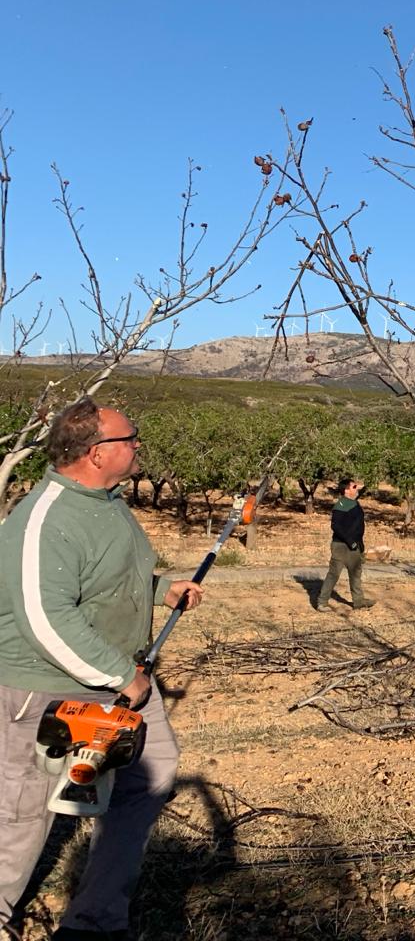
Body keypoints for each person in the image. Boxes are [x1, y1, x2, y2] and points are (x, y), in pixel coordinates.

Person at [0, 398, 204, 940]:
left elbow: (107, 577)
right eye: (129, 438)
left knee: (150, 772)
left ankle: (93, 922)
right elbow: (45, 618)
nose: (138, 445)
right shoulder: (43, 519)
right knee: (23, 814)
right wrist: (122, 675)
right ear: (95, 453)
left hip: (114, 680)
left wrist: (163, 591)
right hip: (43, 689)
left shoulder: (106, 501)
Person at [316, 476, 373, 611]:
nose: (357, 488)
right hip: (341, 546)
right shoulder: (341, 505)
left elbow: (357, 527)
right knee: (334, 574)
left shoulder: (353, 503)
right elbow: (336, 526)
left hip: (354, 546)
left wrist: (359, 545)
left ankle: (359, 601)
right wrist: (350, 541)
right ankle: (322, 603)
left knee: (356, 574)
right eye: (354, 486)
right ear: (346, 490)